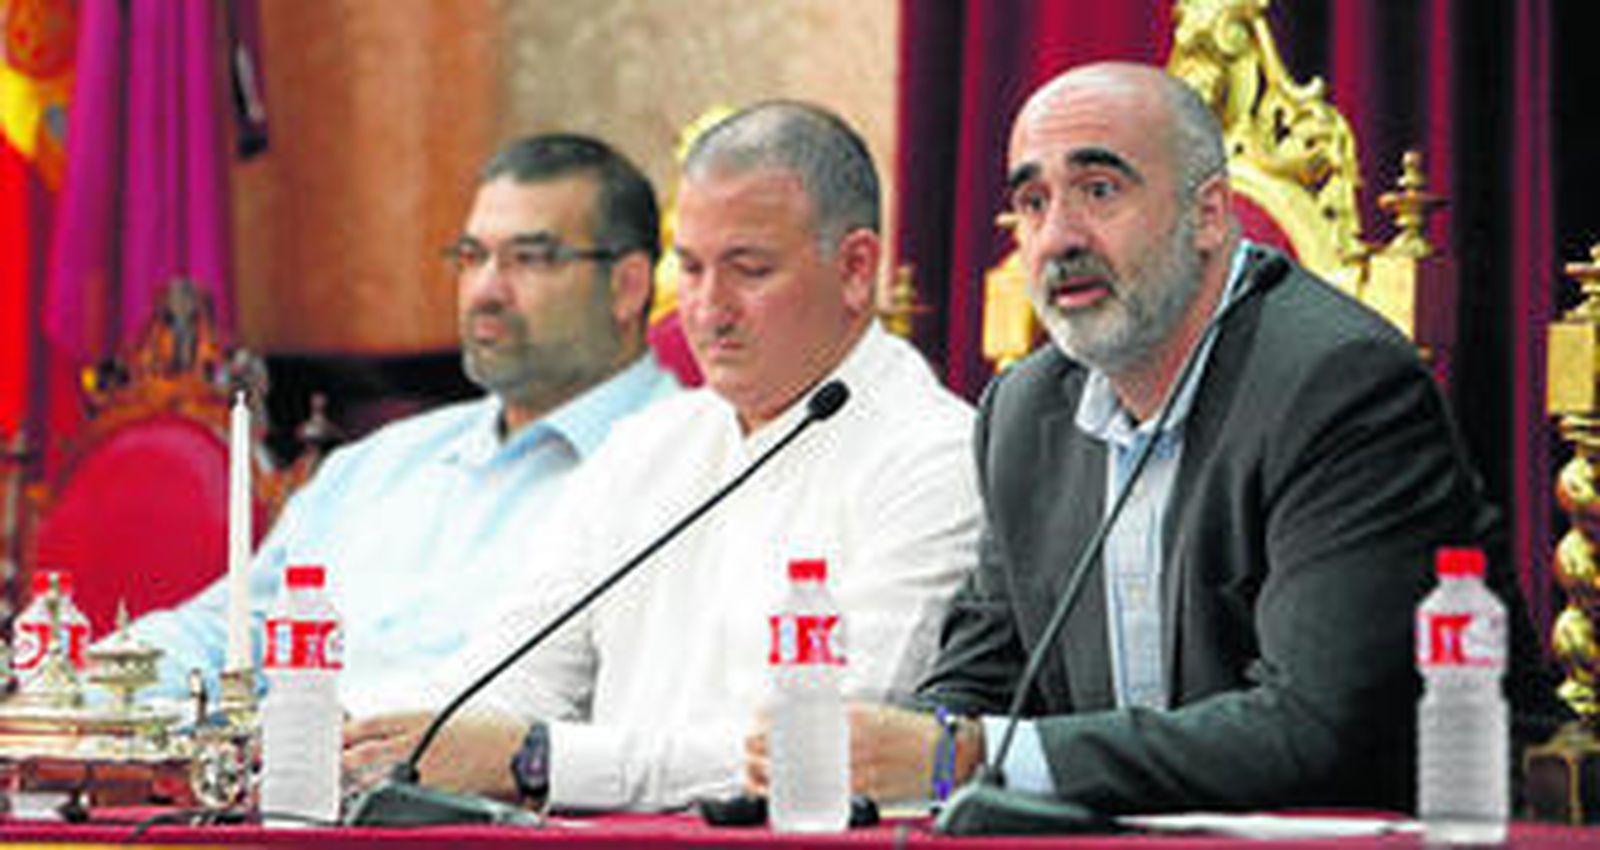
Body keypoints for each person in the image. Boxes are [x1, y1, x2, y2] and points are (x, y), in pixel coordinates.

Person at [817, 62, 1559, 815]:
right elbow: (982, 676)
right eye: (1033, 203)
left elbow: (1312, 727)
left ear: (1208, 214)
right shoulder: (1022, 412)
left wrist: (969, 755)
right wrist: (882, 750)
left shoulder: (1340, 385)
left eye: (1099, 191)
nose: (1057, 238)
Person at [343, 101, 982, 811]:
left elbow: (837, 749)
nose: (707, 309)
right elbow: (511, 679)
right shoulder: (647, 445)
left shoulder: (935, 455)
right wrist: (396, 738)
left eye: (748, 269)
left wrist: (542, 759)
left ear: (857, 268)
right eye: (692, 269)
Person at [126, 134, 680, 715]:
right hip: (289, 783)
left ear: (628, 286)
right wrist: (90, 689)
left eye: (529, 259)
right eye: (471, 257)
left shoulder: (690, 468)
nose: (485, 290)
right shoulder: (381, 464)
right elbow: (235, 630)